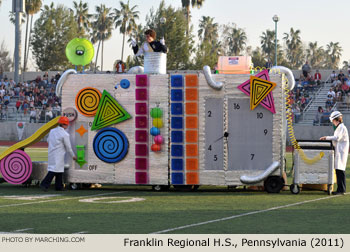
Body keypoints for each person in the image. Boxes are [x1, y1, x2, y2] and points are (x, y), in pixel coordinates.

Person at [40, 116, 77, 191]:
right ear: (64, 125)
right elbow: (68, 147)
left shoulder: (52, 131)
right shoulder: (65, 134)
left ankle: (59, 186)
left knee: (59, 170)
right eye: (67, 124)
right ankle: (44, 184)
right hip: (59, 154)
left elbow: (48, 140)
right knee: (54, 170)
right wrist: (73, 155)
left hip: (51, 152)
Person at [320, 111, 349, 195]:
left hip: (341, 152)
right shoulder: (340, 127)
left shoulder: (341, 127)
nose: (332, 122)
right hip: (339, 151)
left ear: (336, 120)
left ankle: (341, 190)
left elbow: (337, 138)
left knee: (340, 171)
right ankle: (340, 189)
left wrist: (326, 138)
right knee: (339, 170)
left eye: (333, 120)